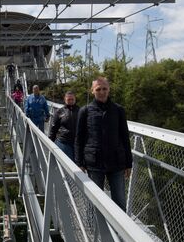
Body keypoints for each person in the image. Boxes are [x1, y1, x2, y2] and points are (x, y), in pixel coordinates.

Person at [75, 77, 132, 211]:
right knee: (94, 201)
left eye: (104, 88)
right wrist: (79, 163)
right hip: (94, 162)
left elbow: (125, 137)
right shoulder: (85, 111)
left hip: (116, 162)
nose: (102, 92)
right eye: (98, 89)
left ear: (109, 89)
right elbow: (79, 138)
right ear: (92, 91)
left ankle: (119, 232)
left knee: (119, 202)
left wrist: (129, 163)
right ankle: (93, 230)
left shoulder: (118, 110)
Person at [49, 91, 79, 161]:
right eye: (69, 99)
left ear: (75, 99)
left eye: (72, 99)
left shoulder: (80, 111)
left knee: (77, 164)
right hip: (63, 141)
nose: (71, 101)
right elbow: (54, 128)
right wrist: (50, 142)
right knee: (68, 164)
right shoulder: (59, 111)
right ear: (65, 100)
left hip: (77, 142)